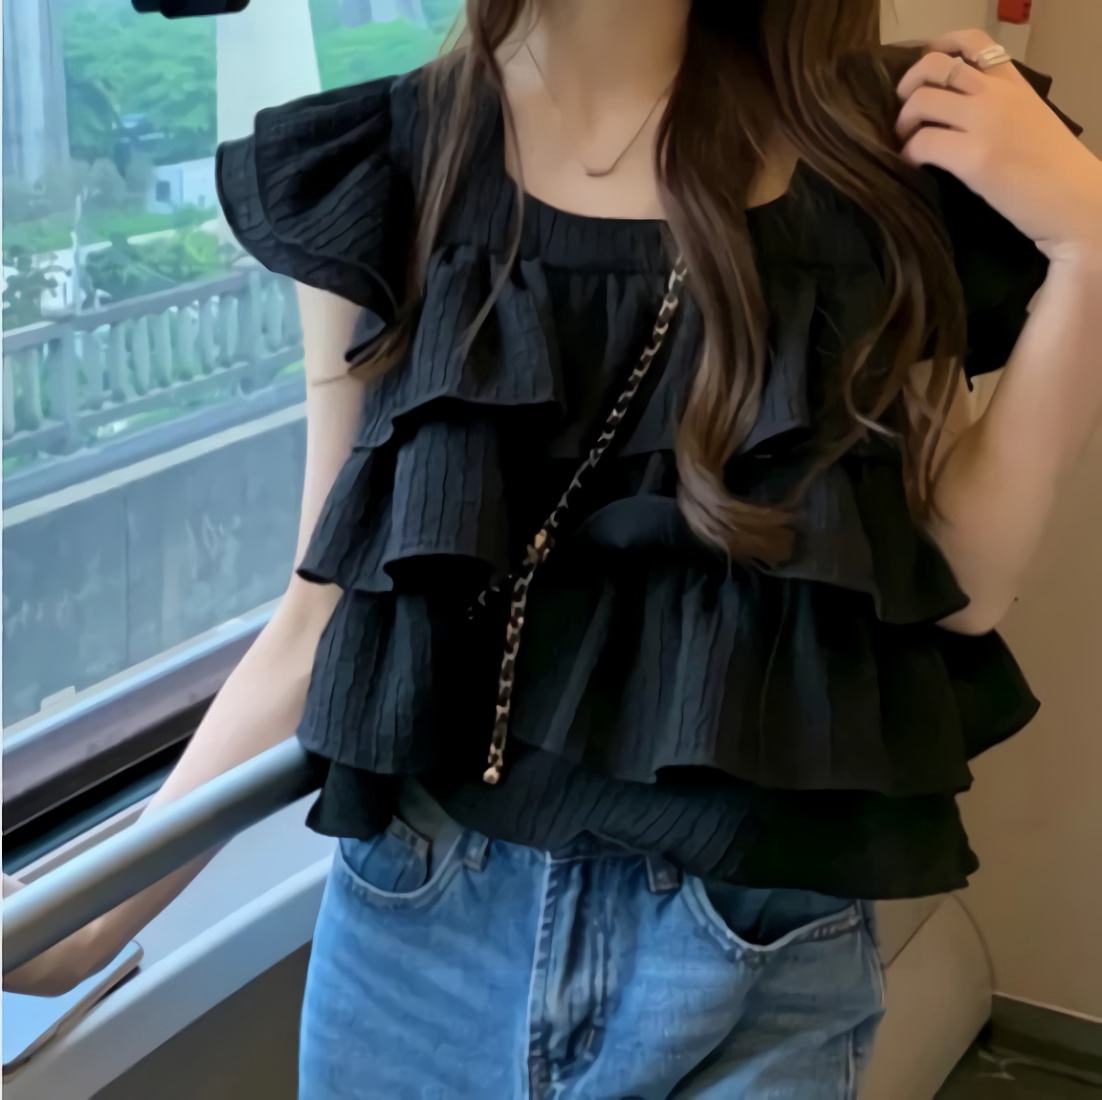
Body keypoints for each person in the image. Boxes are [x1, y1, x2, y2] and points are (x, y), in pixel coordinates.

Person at [6, 2, 1101, 1096]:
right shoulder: (382, 167)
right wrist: (77, 931)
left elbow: (958, 584)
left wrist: (1088, 247)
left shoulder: (876, 155)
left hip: (748, 959)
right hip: (416, 942)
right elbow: (319, 614)